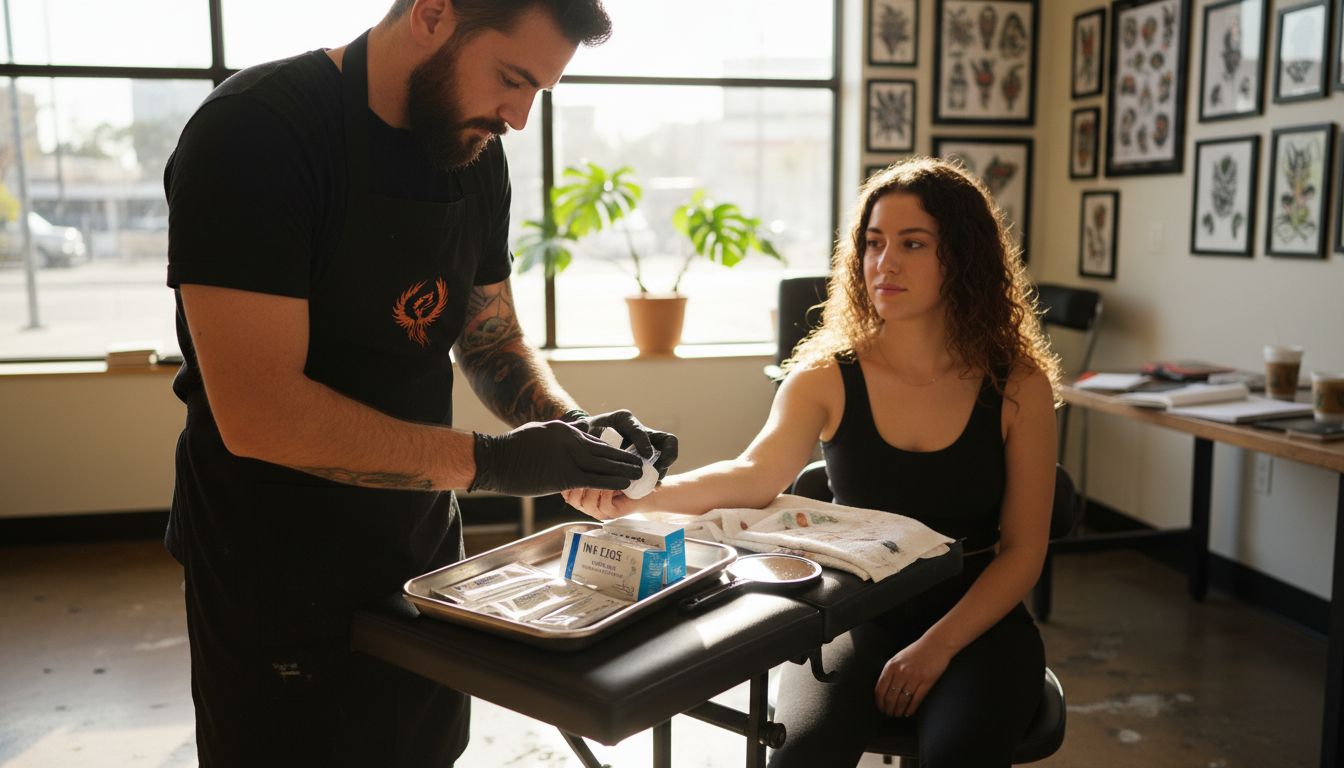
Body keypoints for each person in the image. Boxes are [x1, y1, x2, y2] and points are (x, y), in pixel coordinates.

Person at [163, 1, 676, 765]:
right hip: (273, 571)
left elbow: (491, 338)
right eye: (511, 78)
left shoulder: (468, 148)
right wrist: (498, 463)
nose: (519, 116)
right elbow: (260, 413)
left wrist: (576, 432)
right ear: (434, 15)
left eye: (539, 91)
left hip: (420, 563)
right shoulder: (255, 134)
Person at [565, 156, 1060, 767]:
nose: (885, 262)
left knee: (957, 757)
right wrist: (639, 496)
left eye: (913, 243)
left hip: (978, 622)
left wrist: (935, 648)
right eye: (873, 243)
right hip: (856, 613)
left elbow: (1024, 552)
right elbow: (753, 476)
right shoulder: (825, 376)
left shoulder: (1019, 386)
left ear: (962, 257)